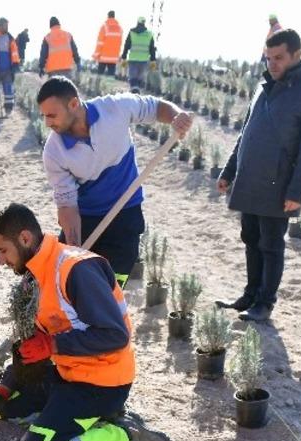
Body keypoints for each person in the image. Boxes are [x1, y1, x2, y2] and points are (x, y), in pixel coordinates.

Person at [0, 203, 177, 441]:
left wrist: (52, 345)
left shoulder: (76, 269)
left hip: (102, 384)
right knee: (3, 408)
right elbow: (29, 347)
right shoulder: (32, 278)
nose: (1, 261)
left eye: (2, 251)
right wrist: (3, 388)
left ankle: (129, 437)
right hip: (66, 374)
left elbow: (115, 336)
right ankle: (88, 418)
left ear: (24, 238)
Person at [216, 29, 301, 323]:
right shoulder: (263, 85)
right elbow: (246, 134)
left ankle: (265, 303)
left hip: (279, 183)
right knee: (250, 237)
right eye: (268, 58)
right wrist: (229, 171)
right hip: (251, 178)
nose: (272, 64)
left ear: (297, 54)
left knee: (270, 243)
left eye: (279, 58)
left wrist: (297, 191)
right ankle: (250, 295)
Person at [37, 76, 193, 287]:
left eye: (52, 115)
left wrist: (176, 116)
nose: (47, 123)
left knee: (111, 287)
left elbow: (155, 107)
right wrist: (75, 251)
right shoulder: (54, 151)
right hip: (86, 217)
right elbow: (67, 206)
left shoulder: (115, 108)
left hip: (125, 214)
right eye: (44, 116)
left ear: (73, 104)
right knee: (67, 284)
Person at [120, 16, 157, 93]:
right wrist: (153, 60)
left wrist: (124, 57)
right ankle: (137, 90)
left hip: (133, 59)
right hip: (144, 60)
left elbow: (127, 45)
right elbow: (152, 49)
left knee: (133, 76)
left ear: (137, 22)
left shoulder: (132, 33)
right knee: (140, 77)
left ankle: (134, 89)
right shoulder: (149, 34)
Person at [93, 12, 124, 76]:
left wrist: (96, 55)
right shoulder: (120, 29)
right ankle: (110, 82)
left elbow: (100, 43)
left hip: (103, 56)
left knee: (99, 75)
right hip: (113, 57)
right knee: (111, 77)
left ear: (108, 16)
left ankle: (99, 82)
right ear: (114, 17)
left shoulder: (104, 27)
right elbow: (120, 43)